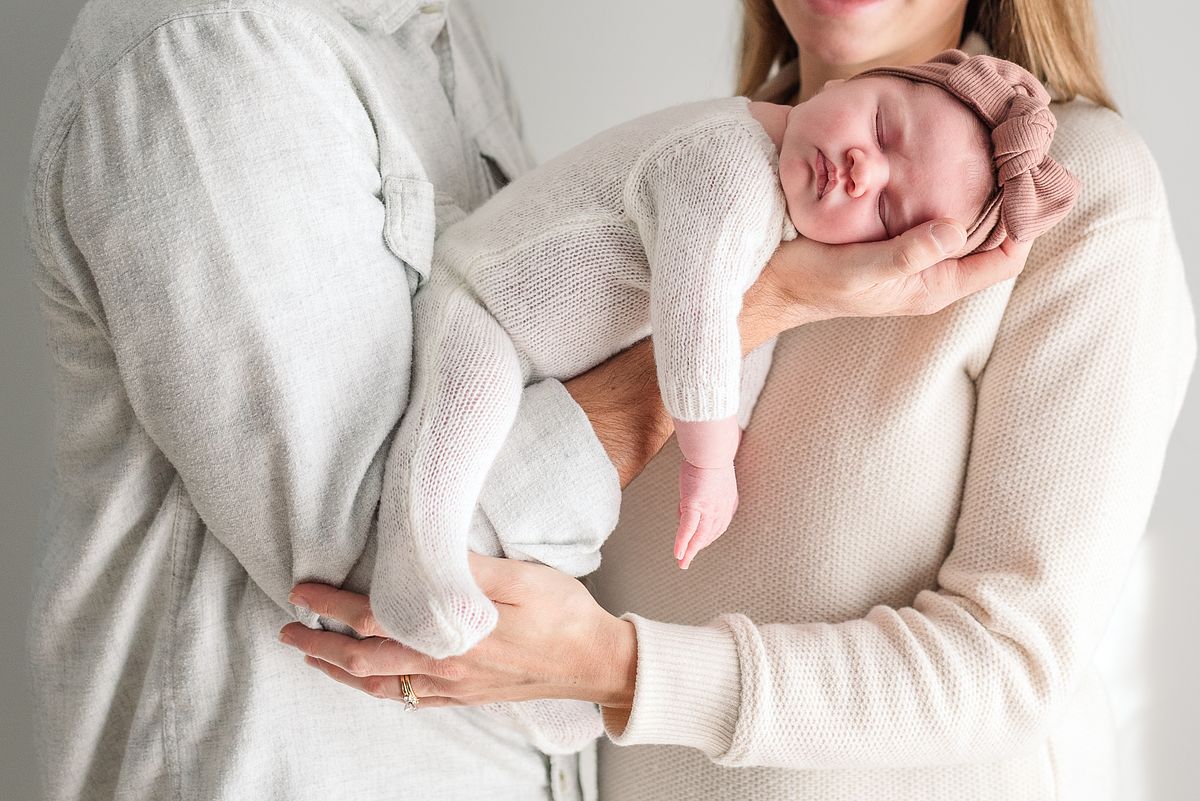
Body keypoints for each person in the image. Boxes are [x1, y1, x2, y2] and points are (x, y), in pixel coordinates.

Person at [24, 0, 1020, 799]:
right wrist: (769, 305)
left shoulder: (440, 39)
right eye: (882, 133)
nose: (866, 174)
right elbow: (373, 564)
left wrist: (601, 677)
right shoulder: (205, 55)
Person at [278, 1, 1196, 800]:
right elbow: (509, 519)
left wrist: (622, 672)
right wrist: (773, 300)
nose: (862, 175)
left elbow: (1010, 666)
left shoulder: (1080, 200)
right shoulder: (682, 170)